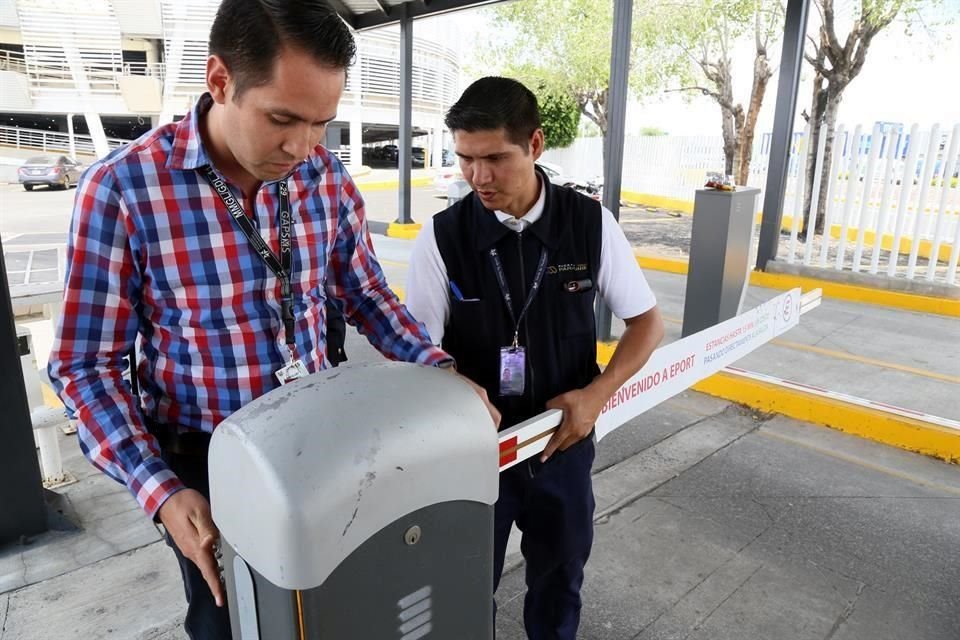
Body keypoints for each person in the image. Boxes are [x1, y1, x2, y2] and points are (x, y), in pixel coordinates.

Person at [47, 2, 497, 638]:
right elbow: (83, 367)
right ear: (220, 80)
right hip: (211, 460)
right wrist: (164, 494)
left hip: (324, 441)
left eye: (321, 124)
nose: (301, 147)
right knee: (234, 621)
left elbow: (366, 292)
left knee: (342, 609)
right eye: (282, 119)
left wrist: (440, 372)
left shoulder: (322, 175)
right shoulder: (125, 191)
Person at [406, 76, 665, 640]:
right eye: (465, 160)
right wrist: (450, 386)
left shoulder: (588, 224)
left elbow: (647, 324)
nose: (478, 177)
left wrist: (595, 397)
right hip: (476, 453)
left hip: (563, 443)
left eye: (495, 158)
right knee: (466, 587)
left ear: (536, 145)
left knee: (559, 579)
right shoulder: (442, 238)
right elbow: (417, 349)